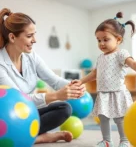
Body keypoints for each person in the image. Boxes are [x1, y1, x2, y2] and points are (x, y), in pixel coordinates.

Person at [0, 8, 86, 144]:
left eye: (34, 35)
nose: (35, 40)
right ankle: (40, 138)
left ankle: (29, 137)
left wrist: (72, 86)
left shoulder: (31, 56)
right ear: (12, 37)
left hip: (26, 113)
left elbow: (54, 80)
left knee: (64, 108)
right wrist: (56, 95)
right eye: (29, 36)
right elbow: (19, 101)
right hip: (7, 117)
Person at [72, 12, 136, 147]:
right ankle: (107, 140)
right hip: (103, 93)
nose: (101, 43)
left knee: (120, 119)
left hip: (117, 92)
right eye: (98, 40)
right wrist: (81, 81)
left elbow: (133, 64)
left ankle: (124, 141)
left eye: (105, 39)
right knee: (103, 118)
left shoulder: (121, 54)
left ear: (118, 40)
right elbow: (94, 74)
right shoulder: (101, 57)